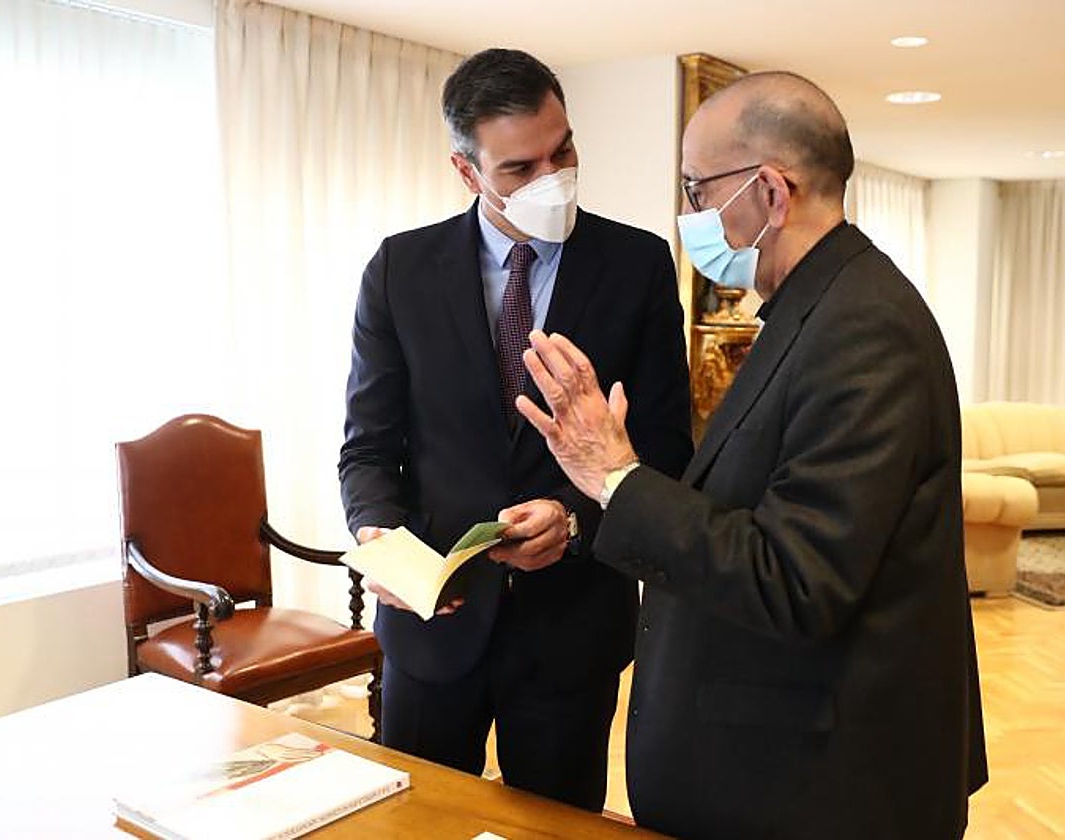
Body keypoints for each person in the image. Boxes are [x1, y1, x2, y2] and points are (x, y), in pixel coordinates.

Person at [516, 71, 988, 838]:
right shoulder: (816, 307)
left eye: (696, 189)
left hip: (824, 783)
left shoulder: (863, 328)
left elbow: (797, 579)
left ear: (769, 192)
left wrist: (617, 477)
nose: (689, 216)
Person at [338, 48, 692, 811]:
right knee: (420, 823)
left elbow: (666, 448)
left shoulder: (638, 266)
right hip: (434, 622)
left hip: (572, 627)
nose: (551, 177)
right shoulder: (400, 270)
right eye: (520, 168)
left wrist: (574, 515)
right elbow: (367, 447)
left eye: (562, 151)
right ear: (466, 172)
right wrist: (379, 540)